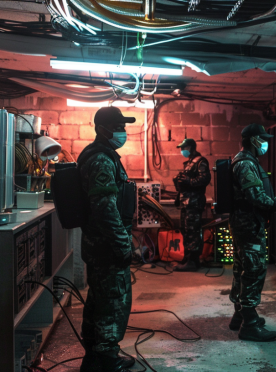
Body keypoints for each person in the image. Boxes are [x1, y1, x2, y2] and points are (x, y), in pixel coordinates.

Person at [78, 107, 137, 372]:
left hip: (98, 244)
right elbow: (105, 208)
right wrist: (123, 244)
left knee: (99, 299)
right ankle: (107, 359)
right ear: (102, 129)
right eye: (117, 126)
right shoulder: (101, 159)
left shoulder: (102, 155)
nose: (122, 131)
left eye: (123, 126)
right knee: (113, 301)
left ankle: (93, 357)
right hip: (106, 245)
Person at [229, 123, 276, 341]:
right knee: (253, 271)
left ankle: (241, 315)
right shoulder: (246, 164)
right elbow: (255, 197)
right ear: (254, 140)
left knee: (242, 268)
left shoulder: (243, 161)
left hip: (243, 224)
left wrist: (272, 201)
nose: (265, 143)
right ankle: (249, 325)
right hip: (249, 226)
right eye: (263, 139)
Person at [173, 138, 211, 271]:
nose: (182, 151)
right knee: (186, 230)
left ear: (191, 148)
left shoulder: (201, 161)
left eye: (184, 148)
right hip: (186, 203)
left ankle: (193, 261)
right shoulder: (189, 162)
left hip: (194, 203)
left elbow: (204, 179)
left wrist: (189, 181)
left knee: (192, 231)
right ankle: (188, 257)